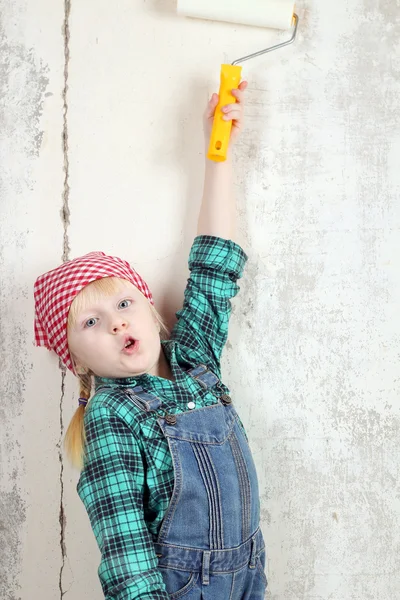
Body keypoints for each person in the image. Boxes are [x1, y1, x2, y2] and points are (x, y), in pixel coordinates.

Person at [34, 80, 268, 599]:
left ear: (152, 314)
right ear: (77, 362)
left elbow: (215, 262)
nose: (116, 323)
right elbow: (126, 553)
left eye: (123, 305)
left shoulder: (196, 359)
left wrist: (218, 152)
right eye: (90, 323)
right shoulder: (111, 417)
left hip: (250, 575)